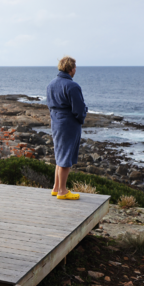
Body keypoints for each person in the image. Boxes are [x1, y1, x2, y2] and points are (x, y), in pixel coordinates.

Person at [45, 56, 87, 200]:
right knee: (66, 157)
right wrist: (81, 118)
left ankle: (56, 188)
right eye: (75, 67)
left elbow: (50, 105)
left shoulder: (51, 84)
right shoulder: (72, 86)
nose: (75, 70)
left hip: (56, 122)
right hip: (68, 124)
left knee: (60, 155)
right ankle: (62, 191)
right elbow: (79, 109)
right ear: (71, 69)